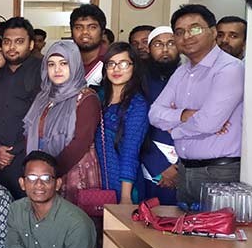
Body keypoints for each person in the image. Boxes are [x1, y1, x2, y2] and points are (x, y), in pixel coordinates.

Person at [149, 4, 244, 207]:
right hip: (185, 171)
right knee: (184, 227)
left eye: (195, 29)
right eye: (179, 32)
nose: (187, 36)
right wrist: (185, 115)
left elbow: (207, 123)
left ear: (213, 32)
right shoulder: (181, 72)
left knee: (218, 228)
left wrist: (175, 130)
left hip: (219, 173)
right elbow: (154, 114)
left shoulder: (230, 69)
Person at [23, 41, 102, 205]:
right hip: (42, 171)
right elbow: (30, 131)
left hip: (72, 170)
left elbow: (80, 143)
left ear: (74, 64)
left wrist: (52, 172)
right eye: (51, 64)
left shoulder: (86, 98)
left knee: (70, 216)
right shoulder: (43, 97)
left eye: (64, 63)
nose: (57, 69)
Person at [0, 17, 42, 198]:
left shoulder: (42, 72)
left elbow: (43, 120)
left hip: (28, 158)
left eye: (19, 42)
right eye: (7, 42)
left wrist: (12, 151)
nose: (12, 47)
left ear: (31, 44)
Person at [95, 43, 149, 204]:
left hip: (122, 183)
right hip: (94, 178)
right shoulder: (97, 97)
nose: (116, 69)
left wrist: (126, 197)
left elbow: (130, 152)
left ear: (134, 67)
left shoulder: (137, 104)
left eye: (123, 63)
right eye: (111, 64)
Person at [139, 26, 181, 204]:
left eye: (171, 43)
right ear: (149, 49)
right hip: (151, 163)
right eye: (158, 44)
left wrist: (179, 167)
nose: (165, 49)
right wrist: (160, 165)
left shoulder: (191, 77)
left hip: (185, 163)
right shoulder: (140, 81)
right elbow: (135, 128)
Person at [70, 4, 108, 89]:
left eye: (92, 27)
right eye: (78, 27)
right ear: (71, 32)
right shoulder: (64, 60)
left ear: (102, 32)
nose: (85, 32)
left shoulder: (111, 59)